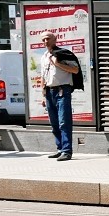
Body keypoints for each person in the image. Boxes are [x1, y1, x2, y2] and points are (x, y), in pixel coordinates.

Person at [40, 30, 80, 161]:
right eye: (43, 40)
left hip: (62, 90)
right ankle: (60, 148)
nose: (46, 42)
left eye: (48, 39)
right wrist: (43, 94)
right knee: (54, 123)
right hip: (49, 91)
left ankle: (67, 151)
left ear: (54, 39)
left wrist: (58, 64)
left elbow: (75, 70)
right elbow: (43, 76)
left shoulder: (64, 54)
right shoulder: (44, 56)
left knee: (64, 121)